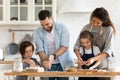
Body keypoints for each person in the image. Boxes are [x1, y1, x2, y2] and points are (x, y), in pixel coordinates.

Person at [74, 7, 116, 80]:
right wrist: (79, 58)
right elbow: (77, 46)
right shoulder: (86, 27)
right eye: (93, 21)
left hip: (103, 67)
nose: (95, 24)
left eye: (98, 23)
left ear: (103, 21)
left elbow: (107, 51)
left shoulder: (109, 30)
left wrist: (93, 59)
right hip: (87, 68)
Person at [34, 10, 73, 80]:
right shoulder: (37, 32)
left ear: (52, 18)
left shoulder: (62, 28)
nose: (45, 27)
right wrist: (46, 61)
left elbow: (65, 46)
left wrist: (53, 56)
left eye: (47, 24)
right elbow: (40, 49)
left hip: (62, 64)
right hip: (47, 65)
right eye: (42, 25)